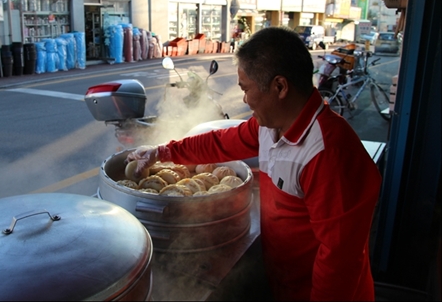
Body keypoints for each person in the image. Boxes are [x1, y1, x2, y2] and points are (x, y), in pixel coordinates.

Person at [127, 27, 382, 301]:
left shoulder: (329, 154)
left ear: (280, 87)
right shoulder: (271, 127)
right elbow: (219, 143)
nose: (245, 100)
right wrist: (161, 152)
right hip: (284, 282)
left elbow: (339, 261)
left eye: (246, 89)